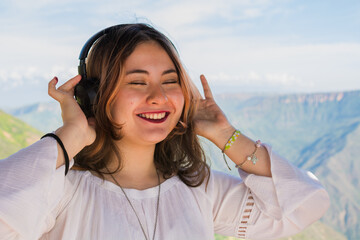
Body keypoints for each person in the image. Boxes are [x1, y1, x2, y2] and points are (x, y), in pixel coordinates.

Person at [0, 23, 329, 240]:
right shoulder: (60, 191)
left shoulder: (200, 188)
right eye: (137, 81)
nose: (157, 96)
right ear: (94, 96)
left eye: (170, 81)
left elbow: (305, 205)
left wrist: (224, 133)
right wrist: (71, 135)